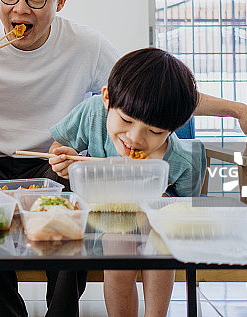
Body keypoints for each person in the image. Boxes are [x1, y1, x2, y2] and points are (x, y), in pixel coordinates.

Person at [0, 0, 247, 317]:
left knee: (80, 202)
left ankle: (62, 313)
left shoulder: (85, 45)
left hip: (55, 161)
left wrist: (237, 110)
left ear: (61, 0)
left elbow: (145, 95)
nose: (20, 8)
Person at [48, 47, 204, 317]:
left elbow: (187, 213)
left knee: (161, 241)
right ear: (107, 98)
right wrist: (64, 159)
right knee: (118, 244)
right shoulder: (94, 114)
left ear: (173, 128)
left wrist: (165, 205)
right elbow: (59, 146)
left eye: (155, 131)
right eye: (127, 120)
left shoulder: (182, 161)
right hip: (103, 224)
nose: (135, 138)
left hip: (157, 233)